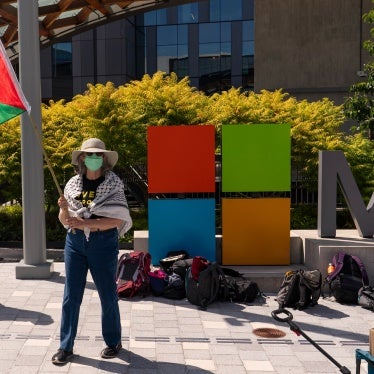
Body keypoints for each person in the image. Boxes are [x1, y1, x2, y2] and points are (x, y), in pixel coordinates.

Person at [52, 138, 132, 365]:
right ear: (81, 159)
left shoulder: (114, 184)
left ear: (104, 159)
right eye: (89, 155)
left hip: (103, 243)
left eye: (98, 155)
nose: (93, 159)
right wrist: (64, 211)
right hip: (75, 244)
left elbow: (117, 220)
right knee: (71, 296)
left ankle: (113, 341)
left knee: (107, 294)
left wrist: (84, 224)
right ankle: (65, 346)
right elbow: (65, 221)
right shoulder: (71, 185)